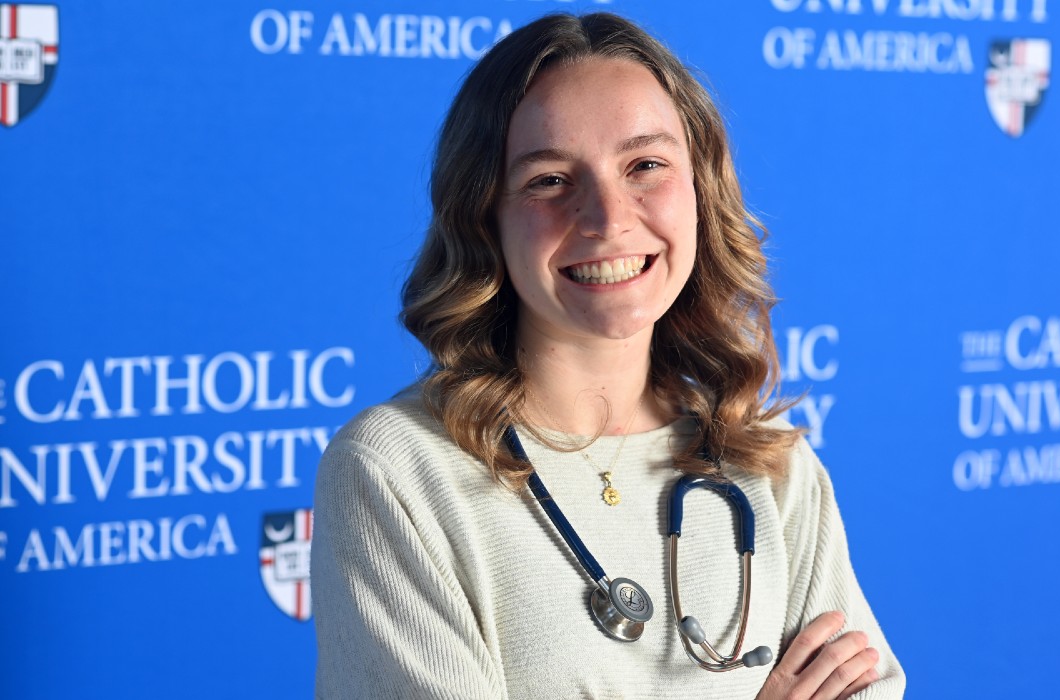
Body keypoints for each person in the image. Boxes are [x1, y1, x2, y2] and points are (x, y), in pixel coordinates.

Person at [312, 11, 905, 699]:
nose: (608, 217)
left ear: (700, 191)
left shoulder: (769, 464)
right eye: (550, 180)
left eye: (645, 165)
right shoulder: (397, 474)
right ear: (484, 217)